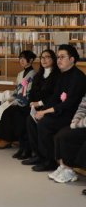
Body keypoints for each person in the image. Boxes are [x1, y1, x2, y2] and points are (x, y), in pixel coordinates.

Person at [23, 44, 86, 172]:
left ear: (72, 59)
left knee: (45, 123)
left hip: (70, 114)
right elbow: (54, 98)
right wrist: (42, 110)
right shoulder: (62, 75)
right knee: (32, 119)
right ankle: (39, 155)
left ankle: (50, 161)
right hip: (59, 110)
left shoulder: (78, 77)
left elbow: (69, 104)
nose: (58, 60)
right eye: (58, 57)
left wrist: (45, 112)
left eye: (62, 57)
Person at [0, 50, 36, 150]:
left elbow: (28, 93)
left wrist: (16, 101)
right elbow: (16, 90)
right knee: (1, 108)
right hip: (18, 99)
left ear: (31, 60)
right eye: (20, 58)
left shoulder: (33, 74)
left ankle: (6, 139)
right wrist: (10, 97)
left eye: (24, 58)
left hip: (25, 103)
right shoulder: (20, 74)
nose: (21, 60)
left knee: (8, 112)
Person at [48, 95, 86, 183]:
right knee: (61, 135)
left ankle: (69, 170)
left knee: (69, 137)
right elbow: (82, 108)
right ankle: (63, 166)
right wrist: (76, 119)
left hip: (83, 124)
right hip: (82, 123)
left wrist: (77, 124)